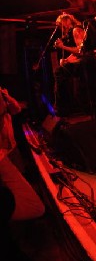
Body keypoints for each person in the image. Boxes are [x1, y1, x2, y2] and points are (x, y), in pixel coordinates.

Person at [0, 86, 45, 220]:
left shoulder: (2, 93)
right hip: (2, 153)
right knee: (30, 204)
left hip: (11, 146)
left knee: (20, 182)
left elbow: (16, 110)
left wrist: (7, 99)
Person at [53, 13, 96, 117]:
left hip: (87, 63)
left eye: (61, 24)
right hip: (85, 61)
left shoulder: (76, 30)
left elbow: (80, 51)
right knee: (80, 93)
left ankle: (60, 107)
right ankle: (62, 107)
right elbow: (79, 52)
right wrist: (67, 59)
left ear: (67, 21)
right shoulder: (75, 30)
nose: (61, 28)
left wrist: (62, 47)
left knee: (59, 72)